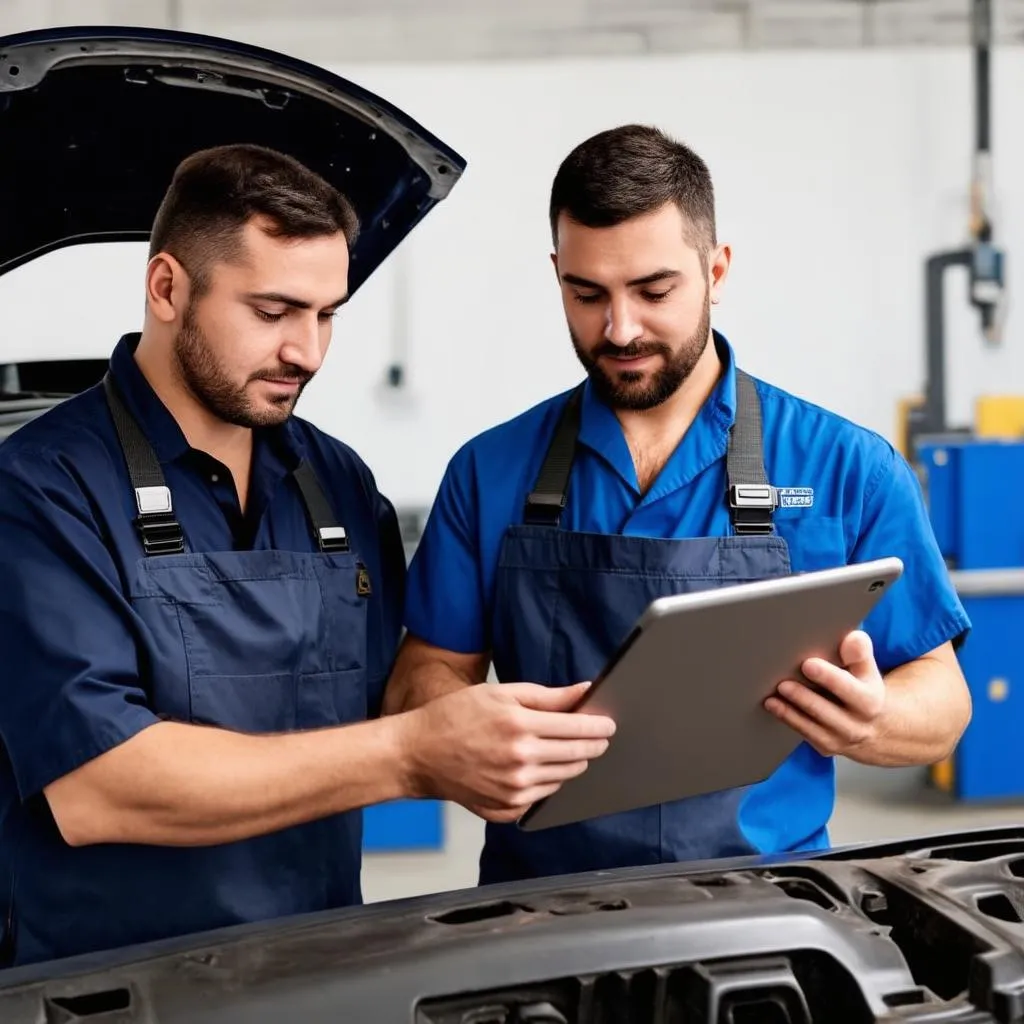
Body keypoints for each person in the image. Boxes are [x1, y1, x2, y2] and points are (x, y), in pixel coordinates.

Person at [0, 143, 616, 966]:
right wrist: (411, 754)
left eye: (326, 314)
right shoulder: (41, 491)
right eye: (273, 311)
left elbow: (386, 708)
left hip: (318, 974)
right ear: (168, 289)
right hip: (113, 988)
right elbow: (98, 786)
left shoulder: (337, 484)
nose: (309, 352)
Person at [384, 124, 973, 887]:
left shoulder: (847, 469)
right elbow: (425, 670)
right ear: (557, 274)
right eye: (587, 293)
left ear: (717, 269)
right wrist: (457, 728)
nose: (619, 328)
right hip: (540, 911)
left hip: (772, 904)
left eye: (654, 291)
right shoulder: (488, 472)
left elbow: (942, 699)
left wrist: (874, 719)